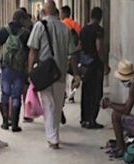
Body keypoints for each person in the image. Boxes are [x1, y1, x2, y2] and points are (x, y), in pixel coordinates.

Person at [27, 0, 80, 149]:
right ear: (56, 12)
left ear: (43, 13)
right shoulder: (65, 28)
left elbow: (33, 50)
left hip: (45, 73)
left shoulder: (39, 26)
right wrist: (76, 75)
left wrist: (30, 71)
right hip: (60, 73)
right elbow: (73, 54)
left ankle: (53, 139)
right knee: (57, 106)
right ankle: (54, 135)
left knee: (48, 105)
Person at [101, 60, 134, 156]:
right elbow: (126, 106)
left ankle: (121, 148)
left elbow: (126, 110)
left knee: (115, 115)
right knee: (117, 113)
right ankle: (120, 145)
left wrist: (110, 104)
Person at [0, 9, 31, 132]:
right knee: (16, 96)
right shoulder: (25, 33)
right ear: (21, 20)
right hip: (20, 69)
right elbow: (30, 53)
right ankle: (14, 124)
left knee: (5, 94)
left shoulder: (3, 30)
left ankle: (4, 122)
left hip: (6, 67)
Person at [79, 7, 110, 129]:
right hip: (95, 65)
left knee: (86, 91)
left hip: (85, 64)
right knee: (96, 92)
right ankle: (91, 120)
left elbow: (80, 46)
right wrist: (105, 63)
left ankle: (84, 119)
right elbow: (98, 47)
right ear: (100, 17)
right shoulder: (98, 30)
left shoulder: (84, 29)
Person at [61, 5, 81, 103]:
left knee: (64, 75)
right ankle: (72, 94)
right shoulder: (76, 25)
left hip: (65, 52)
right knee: (73, 74)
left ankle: (64, 93)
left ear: (64, 14)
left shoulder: (62, 24)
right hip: (75, 52)